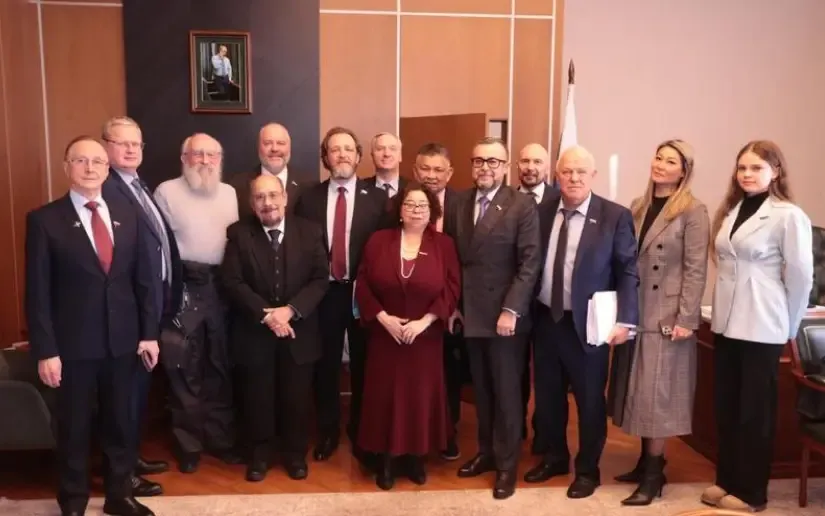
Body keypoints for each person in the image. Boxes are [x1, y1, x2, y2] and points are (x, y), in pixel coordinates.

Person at [25, 135, 159, 516]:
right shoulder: (44, 220)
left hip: (124, 343)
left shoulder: (128, 215)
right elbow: (37, 293)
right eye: (80, 161)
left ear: (107, 168)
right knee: (74, 428)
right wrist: (46, 350)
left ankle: (119, 496)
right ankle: (73, 501)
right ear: (66, 167)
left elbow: (144, 281)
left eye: (97, 161)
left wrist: (149, 333)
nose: (89, 168)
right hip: (72, 348)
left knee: (121, 424)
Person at [702, 140, 813, 512]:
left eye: (757, 168)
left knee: (754, 411)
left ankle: (751, 493)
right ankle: (727, 480)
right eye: (742, 168)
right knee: (727, 406)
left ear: (775, 171)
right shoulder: (733, 210)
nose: (747, 174)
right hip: (727, 322)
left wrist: (788, 326)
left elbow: (801, 277)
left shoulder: (787, 215)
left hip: (763, 322)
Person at [527, 145, 639, 500]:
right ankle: (555, 458)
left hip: (589, 324)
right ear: (556, 175)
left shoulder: (614, 216)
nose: (573, 178)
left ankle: (588, 470)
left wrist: (626, 320)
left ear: (593, 176)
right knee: (548, 398)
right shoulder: (541, 212)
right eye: (567, 171)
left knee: (590, 402)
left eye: (581, 172)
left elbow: (627, 271)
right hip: (546, 319)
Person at [607, 139, 710, 506]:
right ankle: (645, 463)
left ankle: (653, 476)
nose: (661, 165)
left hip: (666, 318)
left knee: (657, 397)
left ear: (683, 171)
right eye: (658, 157)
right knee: (637, 392)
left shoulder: (693, 211)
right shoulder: (638, 206)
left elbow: (696, 270)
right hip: (636, 312)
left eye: (671, 161)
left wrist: (686, 318)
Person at [221, 175, 329, 482]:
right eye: (259, 197)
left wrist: (290, 311)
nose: (267, 203)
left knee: (296, 399)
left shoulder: (310, 231)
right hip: (255, 333)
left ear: (285, 197)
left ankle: (295, 455)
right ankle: (259, 455)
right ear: (251, 203)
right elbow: (232, 281)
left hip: (299, 333)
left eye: (272, 195)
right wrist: (266, 315)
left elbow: (320, 279)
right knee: (258, 398)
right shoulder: (239, 233)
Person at [354, 183, 460, 490]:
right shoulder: (378, 241)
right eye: (410, 204)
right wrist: (383, 318)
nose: (416, 210)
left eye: (423, 205)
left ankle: (416, 458)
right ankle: (386, 460)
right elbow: (362, 283)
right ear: (399, 210)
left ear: (432, 212)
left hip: (424, 338)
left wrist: (425, 322)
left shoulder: (444, 245)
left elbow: (452, 288)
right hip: (385, 335)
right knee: (384, 397)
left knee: (419, 397)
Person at [451, 137, 541, 500]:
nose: (485, 167)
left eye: (493, 161)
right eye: (479, 160)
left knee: (506, 394)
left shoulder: (521, 204)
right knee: (482, 391)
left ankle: (507, 466)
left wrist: (511, 310)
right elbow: (455, 260)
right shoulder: (459, 202)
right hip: (471, 314)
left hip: (505, 318)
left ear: (505, 167)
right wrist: (454, 305)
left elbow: (529, 263)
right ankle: (486, 452)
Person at [292, 126, 388, 461]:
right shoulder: (308, 198)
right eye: (335, 149)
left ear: (359, 156)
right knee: (326, 365)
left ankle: (362, 431)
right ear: (326, 157)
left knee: (365, 364)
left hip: (364, 292)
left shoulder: (378, 199)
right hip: (324, 293)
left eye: (348, 149)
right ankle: (328, 432)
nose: (342, 155)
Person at [103, 115, 183, 497]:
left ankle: (130, 459)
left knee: (136, 394)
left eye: (136, 143)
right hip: (128, 314)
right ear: (106, 147)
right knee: (123, 398)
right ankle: (120, 476)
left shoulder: (137, 185)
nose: (131, 149)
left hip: (150, 308)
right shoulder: (106, 190)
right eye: (122, 143)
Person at [153, 133, 241, 472]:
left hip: (221, 286)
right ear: (184, 158)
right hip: (183, 285)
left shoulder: (230, 193)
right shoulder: (166, 191)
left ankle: (220, 440)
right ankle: (188, 446)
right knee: (184, 367)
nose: (205, 160)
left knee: (219, 364)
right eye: (197, 154)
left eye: (212, 155)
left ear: (220, 159)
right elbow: (159, 247)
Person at [412, 142, 464, 460]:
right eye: (425, 168)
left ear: (450, 173)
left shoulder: (464, 205)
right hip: (409, 308)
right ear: (415, 170)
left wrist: (455, 305)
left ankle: (447, 433)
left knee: (449, 373)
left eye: (438, 169)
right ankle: (414, 434)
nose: (431, 175)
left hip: (450, 307)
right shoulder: (401, 204)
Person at [228, 122, 309, 219]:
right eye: (267, 143)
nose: (274, 149)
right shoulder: (237, 185)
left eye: (281, 143)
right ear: (258, 147)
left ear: (289, 147)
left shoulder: (309, 185)